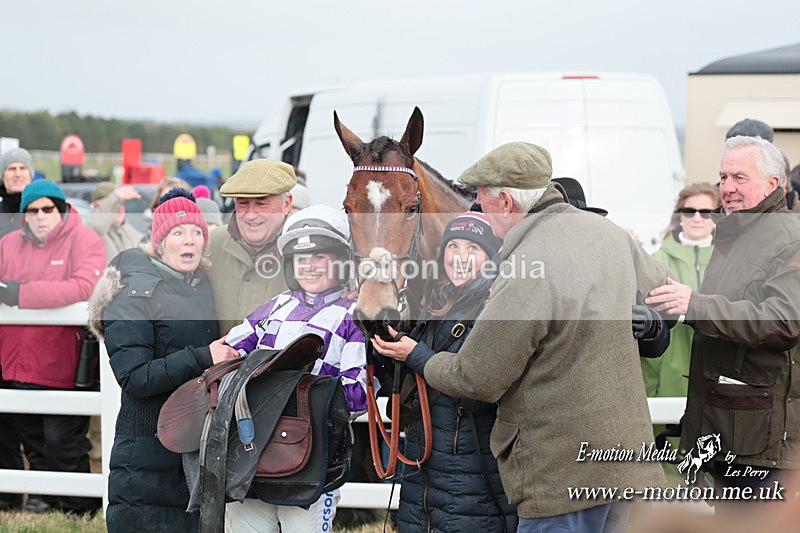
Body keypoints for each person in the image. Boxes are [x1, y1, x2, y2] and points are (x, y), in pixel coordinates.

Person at [375, 142, 670, 532]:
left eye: (480, 198)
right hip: (624, 466)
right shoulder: (608, 233)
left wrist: (416, 355)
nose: (477, 208)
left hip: (560, 475)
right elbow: (668, 293)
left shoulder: (525, 265)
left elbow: (476, 377)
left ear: (505, 201)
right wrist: (648, 322)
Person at [646, 136, 800, 501]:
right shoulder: (737, 232)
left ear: (772, 184)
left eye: (739, 178)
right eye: (723, 177)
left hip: (763, 447)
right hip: (730, 432)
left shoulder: (790, 237)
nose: (726, 188)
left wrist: (694, 306)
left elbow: (782, 322)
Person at [87, 189, 238, 532]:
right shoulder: (130, 291)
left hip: (190, 442)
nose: (189, 241)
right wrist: (204, 356)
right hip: (145, 447)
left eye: (197, 232)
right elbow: (135, 376)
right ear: (158, 241)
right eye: (178, 233)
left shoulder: (199, 284)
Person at [223, 205, 368, 532]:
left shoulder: (353, 313)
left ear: (341, 262)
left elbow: (356, 397)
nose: (310, 267)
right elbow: (228, 350)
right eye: (302, 259)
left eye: (320, 257)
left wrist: (298, 395)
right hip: (254, 448)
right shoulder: (276, 305)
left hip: (312, 456)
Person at [372, 211, 517, 533]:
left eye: (472, 249)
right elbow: (405, 382)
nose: (460, 258)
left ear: (490, 258)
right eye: (453, 247)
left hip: (471, 474)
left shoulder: (495, 308)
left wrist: (415, 353)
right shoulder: (437, 305)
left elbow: (478, 387)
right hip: (424, 472)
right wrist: (381, 343)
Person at [0, 179, 105, 514]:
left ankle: (80, 507)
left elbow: (86, 286)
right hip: (15, 360)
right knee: (33, 440)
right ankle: (48, 501)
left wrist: (19, 294)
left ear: (60, 208)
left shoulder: (85, 239)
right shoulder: (8, 244)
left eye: (48, 208)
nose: (41, 216)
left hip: (64, 361)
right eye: (32, 210)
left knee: (64, 442)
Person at [641, 183, 720, 399]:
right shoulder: (657, 260)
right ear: (680, 215)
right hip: (667, 365)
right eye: (689, 211)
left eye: (705, 213)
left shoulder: (729, 261)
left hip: (718, 363)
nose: (697, 218)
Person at [207, 158, 295, 335]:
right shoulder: (211, 244)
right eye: (243, 203)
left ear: (286, 204)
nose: (251, 215)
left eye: (262, 203)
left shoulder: (309, 253)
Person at [0, 147, 34, 511]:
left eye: (23, 167)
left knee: (33, 420)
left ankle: (46, 492)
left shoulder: (42, 210)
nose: (17, 173)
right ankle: (7, 495)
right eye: (11, 168)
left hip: (30, 324)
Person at [86, 181, 143, 263]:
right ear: (97, 206)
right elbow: (97, 226)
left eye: (121, 203)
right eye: (114, 205)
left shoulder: (130, 230)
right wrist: (116, 196)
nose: (119, 208)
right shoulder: (93, 232)